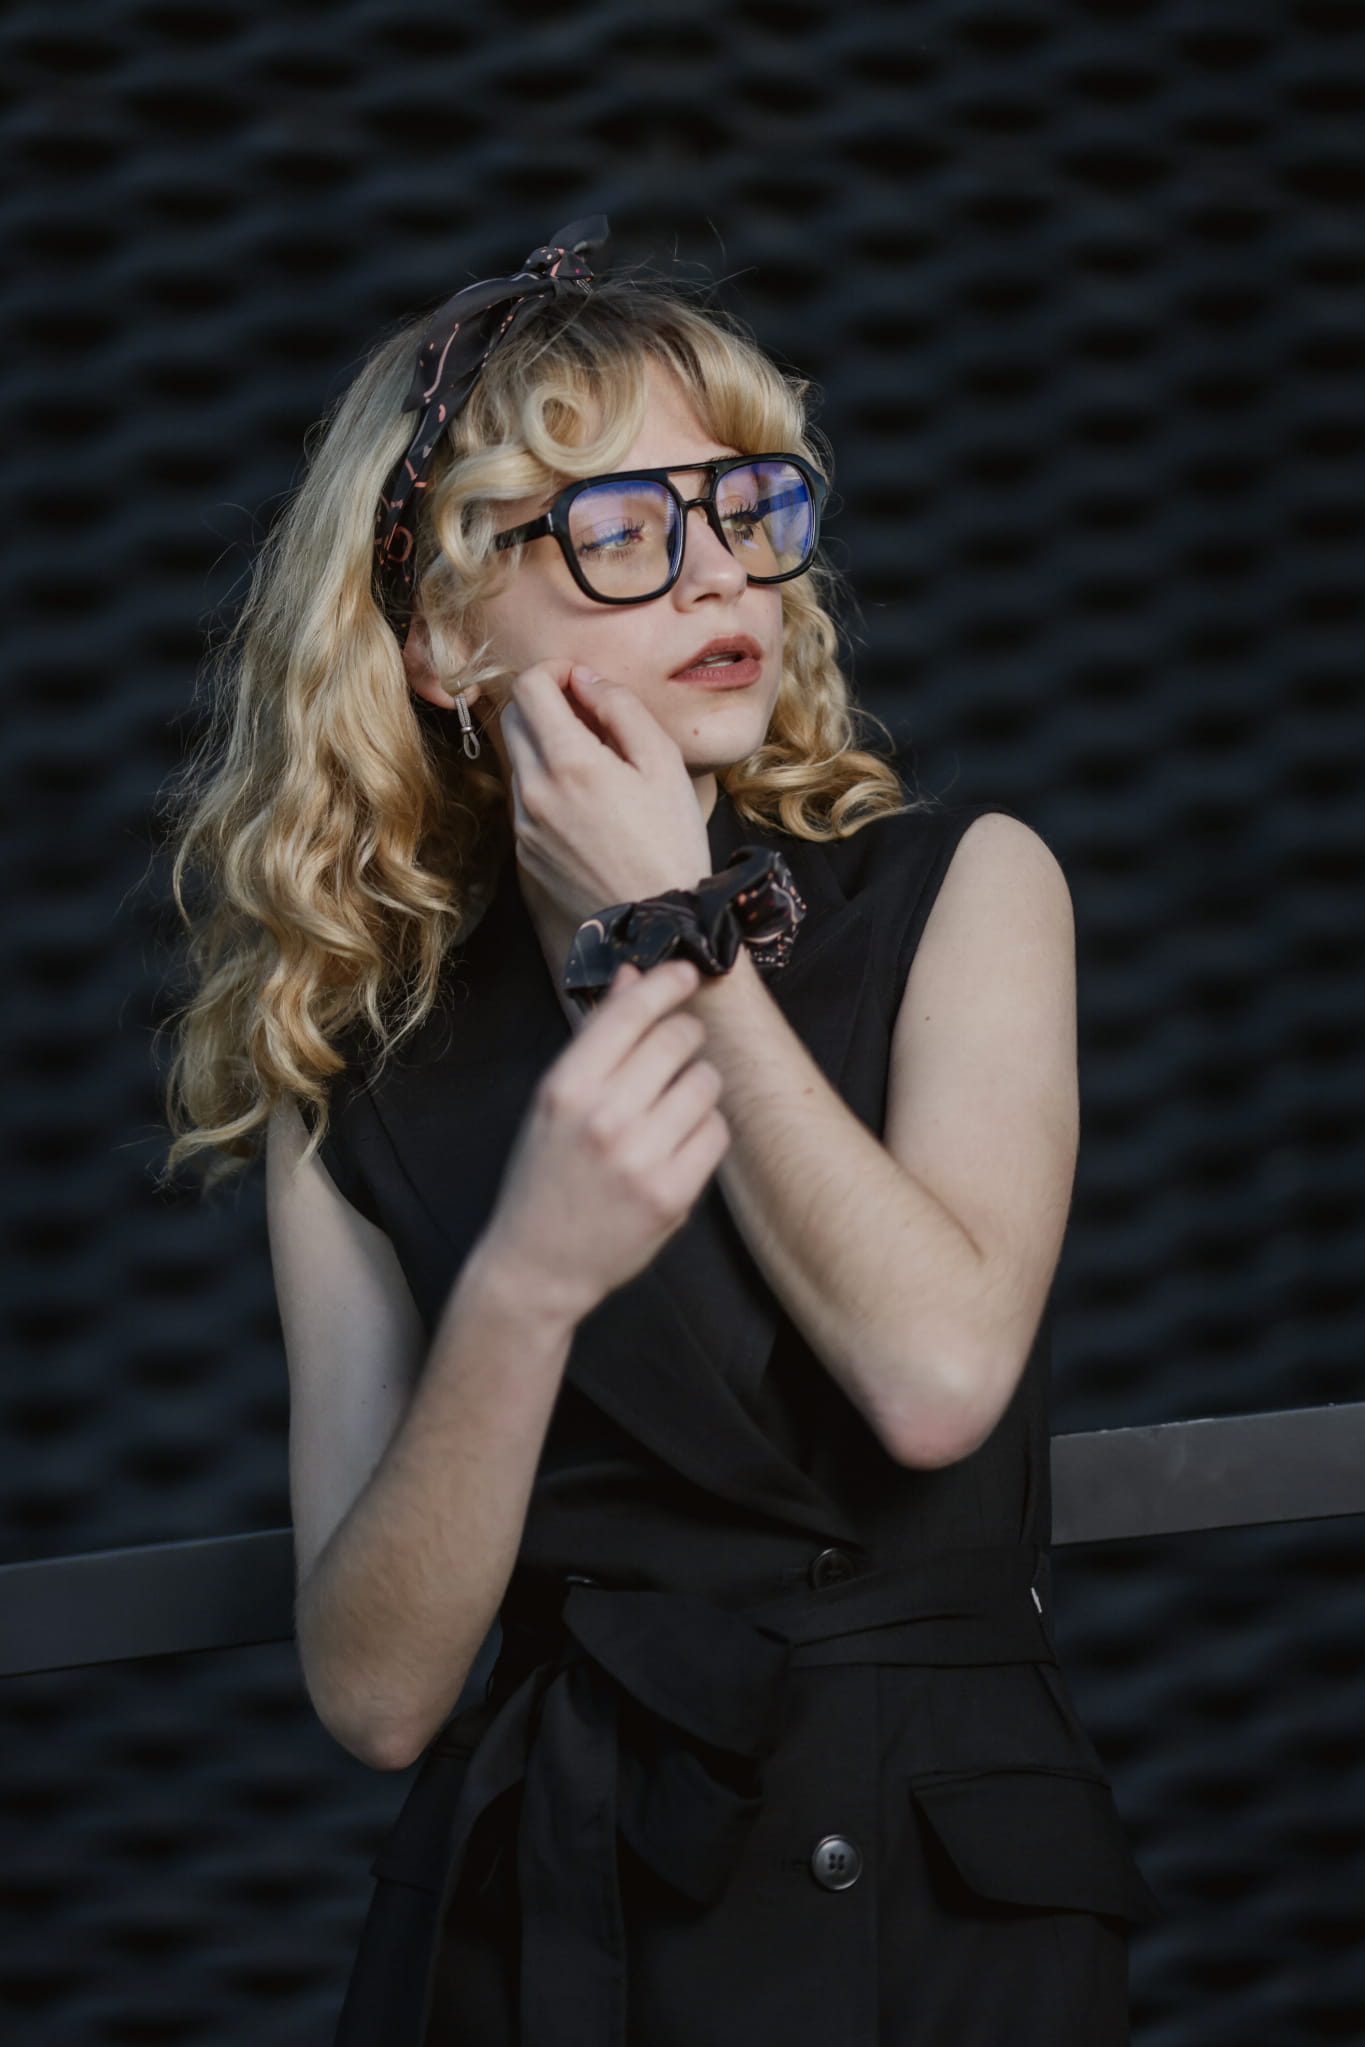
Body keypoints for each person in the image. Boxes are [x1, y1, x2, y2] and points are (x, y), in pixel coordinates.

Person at [164, 218, 1160, 2046]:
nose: (723, 576)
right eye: (622, 531)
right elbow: (376, 1694)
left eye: (745, 507)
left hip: (934, 1907)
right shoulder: (352, 1069)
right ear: (444, 640)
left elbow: (935, 1375)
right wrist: (525, 1287)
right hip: (561, 1917)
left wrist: (666, 925)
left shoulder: (962, 887)